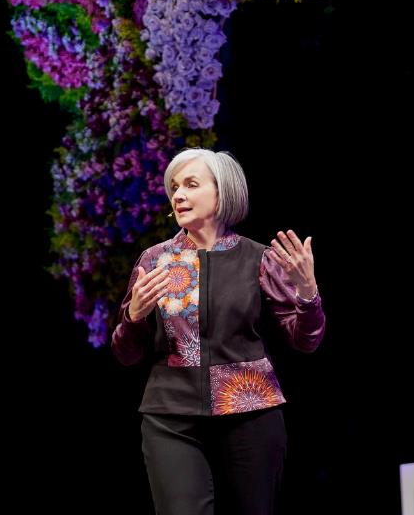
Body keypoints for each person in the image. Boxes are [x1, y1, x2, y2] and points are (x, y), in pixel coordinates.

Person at [110, 147, 325, 515]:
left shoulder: (258, 258)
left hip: (250, 410)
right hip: (171, 415)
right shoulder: (155, 261)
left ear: (222, 193)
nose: (178, 194)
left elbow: (305, 341)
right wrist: (133, 316)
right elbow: (126, 353)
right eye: (174, 187)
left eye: (191, 184)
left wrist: (308, 294)